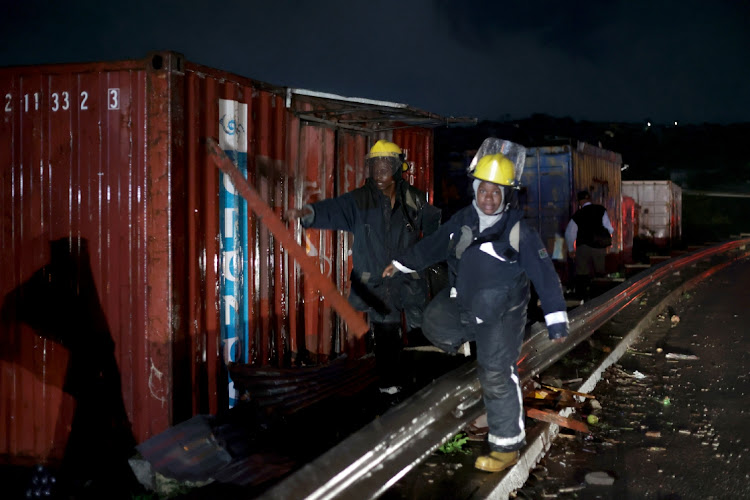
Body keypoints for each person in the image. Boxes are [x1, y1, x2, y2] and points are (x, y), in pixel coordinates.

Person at [382, 138, 569, 473]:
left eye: (497, 192)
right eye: (484, 189)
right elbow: (435, 246)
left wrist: (556, 321)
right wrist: (402, 264)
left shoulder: (518, 231)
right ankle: (474, 346)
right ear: (476, 189)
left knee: (496, 373)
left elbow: (545, 275)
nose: (489, 197)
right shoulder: (463, 221)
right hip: (467, 307)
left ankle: (506, 446)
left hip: (503, 316)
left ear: (507, 194)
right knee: (433, 318)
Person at [286, 140, 441, 395]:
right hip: (378, 283)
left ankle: (420, 383)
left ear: (396, 166)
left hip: (410, 280)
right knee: (386, 333)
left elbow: (435, 227)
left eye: (385, 165)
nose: (380, 171)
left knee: (420, 331)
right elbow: (335, 209)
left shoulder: (415, 198)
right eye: (375, 165)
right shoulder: (360, 200)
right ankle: (390, 388)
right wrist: (310, 213)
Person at [564, 190, 614, 300]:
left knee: (582, 273)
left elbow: (569, 233)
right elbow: (609, 228)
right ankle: (600, 297)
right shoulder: (601, 210)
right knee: (600, 273)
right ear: (590, 199)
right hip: (599, 247)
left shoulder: (578, 214)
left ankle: (583, 298)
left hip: (583, 247)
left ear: (580, 202)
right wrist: (606, 242)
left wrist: (571, 249)